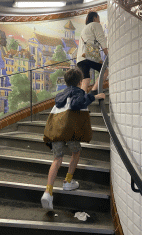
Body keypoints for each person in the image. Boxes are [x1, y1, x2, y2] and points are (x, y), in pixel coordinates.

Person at [41, 68, 105, 210]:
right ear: (80, 82)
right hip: (69, 130)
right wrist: (95, 97)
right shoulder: (78, 92)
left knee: (57, 159)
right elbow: (78, 103)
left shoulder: (60, 95)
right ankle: (68, 181)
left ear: (66, 81)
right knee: (76, 152)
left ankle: (48, 191)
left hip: (56, 131)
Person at [77, 11, 108, 95]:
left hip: (80, 58)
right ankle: (94, 91)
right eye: (98, 17)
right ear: (94, 18)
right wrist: (106, 52)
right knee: (105, 71)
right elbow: (101, 38)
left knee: (86, 78)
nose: (99, 19)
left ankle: (81, 99)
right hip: (90, 55)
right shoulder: (96, 25)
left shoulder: (84, 29)